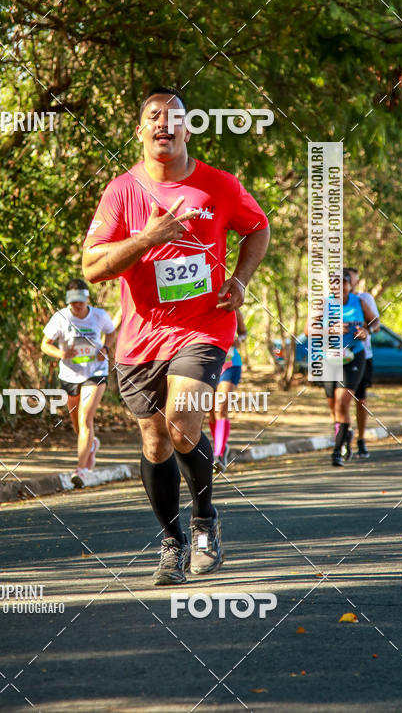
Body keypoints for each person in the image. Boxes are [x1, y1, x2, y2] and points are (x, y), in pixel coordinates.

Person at [82, 86, 269, 585]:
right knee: (155, 442)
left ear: (188, 129)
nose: (164, 124)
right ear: (140, 131)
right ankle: (172, 541)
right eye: (154, 117)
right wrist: (147, 237)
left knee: (183, 422)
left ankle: (205, 521)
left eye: (174, 117)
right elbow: (92, 268)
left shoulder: (219, 185)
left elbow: (258, 227)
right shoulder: (122, 191)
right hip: (141, 337)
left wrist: (240, 279)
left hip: (203, 326)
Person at [41, 279, 117, 487]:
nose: (77, 305)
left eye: (81, 301)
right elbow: (45, 344)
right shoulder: (61, 318)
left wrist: (106, 349)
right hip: (70, 374)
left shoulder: (99, 316)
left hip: (95, 372)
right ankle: (91, 445)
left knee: (85, 419)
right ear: (68, 301)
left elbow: (111, 332)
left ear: (87, 299)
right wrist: (61, 354)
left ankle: (81, 470)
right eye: (73, 301)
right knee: (77, 424)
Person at [309, 269, 378, 467]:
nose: (338, 287)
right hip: (329, 358)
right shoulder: (322, 304)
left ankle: (337, 452)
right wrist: (330, 330)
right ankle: (345, 434)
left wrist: (367, 331)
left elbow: (375, 322)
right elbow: (308, 330)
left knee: (342, 402)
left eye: (342, 283)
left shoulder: (360, 302)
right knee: (333, 406)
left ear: (349, 285)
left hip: (354, 356)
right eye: (334, 283)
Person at [347, 266, 380, 460]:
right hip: (338, 356)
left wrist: (367, 330)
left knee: (361, 400)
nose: (352, 282)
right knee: (340, 400)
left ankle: (360, 439)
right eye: (348, 279)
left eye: (353, 279)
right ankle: (343, 438)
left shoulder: (364, 299)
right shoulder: (331, 301)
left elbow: (376, 323)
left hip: (363, 355)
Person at [210, 309, 247, 471]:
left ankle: (217, 455)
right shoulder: (203, 307)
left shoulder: (234, 310)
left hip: (230, 364)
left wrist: (239, 339)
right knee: (211, 413)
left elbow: (243, 333)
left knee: (220, 409)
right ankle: (222, 447)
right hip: (209, 364)